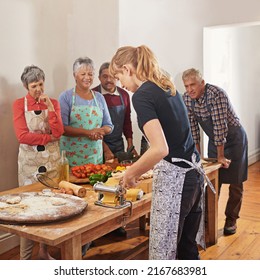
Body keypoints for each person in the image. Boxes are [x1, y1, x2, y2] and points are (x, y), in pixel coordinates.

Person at [109, 45, 205, 260]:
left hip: (176, 182)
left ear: (127, 69)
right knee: (186, 249)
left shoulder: (142, 95)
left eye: (119, 78)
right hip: (194, 175)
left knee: (163, 256)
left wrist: (130, 173)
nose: (121, 85)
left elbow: (160, 148)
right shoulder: (165, 84)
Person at [182, 68, 248, 236]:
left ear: (202, 83)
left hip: (235, 139)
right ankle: (206, 221)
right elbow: (193, 131)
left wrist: (220, 156)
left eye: (193, 85)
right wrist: (197, 157)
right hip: (216, 141)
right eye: (186, 86)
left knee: (236, 182)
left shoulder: (216, 94)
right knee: (212, 182)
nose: (190, 89)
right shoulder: (186, 99)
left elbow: (220, 127)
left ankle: (231, 219)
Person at [13, 65, 64, 260]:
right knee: (28, 210)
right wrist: (47, 138)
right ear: (26, 86)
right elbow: (22, 136)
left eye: (41, 84)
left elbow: (58, 132)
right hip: (29, 165)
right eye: (34, 86)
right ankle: (25, 259)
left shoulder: (53, 103)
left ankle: (44, 251)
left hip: (51, 163)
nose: (39, 90)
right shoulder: (19, 105)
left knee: (49, 207)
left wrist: (51, 109)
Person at [59, 57, 114, 166]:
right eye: (83, 74)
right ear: (75, 75)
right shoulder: (66, 97)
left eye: (90, 74)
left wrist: (100, 131)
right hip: (72, 156)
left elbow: (109, 125)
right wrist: (88, 132)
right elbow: (62, 128)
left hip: (95, 156)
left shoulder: (99, 98)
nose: (87, 78)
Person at [92, 62, 138, 162]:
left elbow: (127, 122)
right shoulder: (93, 95)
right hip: (97, 146)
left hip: (118, 145)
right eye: (105, 76)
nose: (108, 80)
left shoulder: (124, 95)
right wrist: (105, 149)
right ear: (99, 78)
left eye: (112, 76)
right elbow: (91, 126)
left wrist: (130, 144)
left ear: (117, 77)